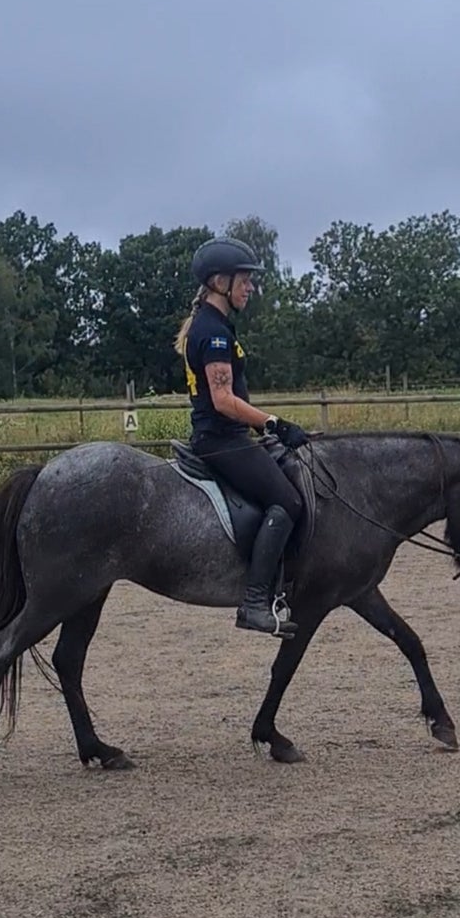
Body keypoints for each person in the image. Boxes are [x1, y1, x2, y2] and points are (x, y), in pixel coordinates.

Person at [174, 236, 309, 638]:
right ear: (220, 282)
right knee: (287, 500)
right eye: (244, 280)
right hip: (221, 440)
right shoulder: (213, 333)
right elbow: (223, 400)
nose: (250, 287)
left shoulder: (215, 325)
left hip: (228, 436)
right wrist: (274, 423)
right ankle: (254, 602)